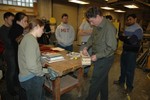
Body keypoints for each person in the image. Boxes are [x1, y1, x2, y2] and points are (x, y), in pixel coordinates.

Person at [82, 6, 117, 100]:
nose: (91, 24)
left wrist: (97, 56)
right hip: (98, 57)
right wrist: (86, 46)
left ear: (98, 16)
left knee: (95, 81)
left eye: (92, 21)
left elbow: (112, 48)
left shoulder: (109, 28)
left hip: (105, 59)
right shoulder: (96, 26)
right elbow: (92, 38)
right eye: (89, 21)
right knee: (103, 80)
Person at [114, 14, 143, 93]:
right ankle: (121, 81)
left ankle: (129, 87)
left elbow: (132, 41)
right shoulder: (128, 28)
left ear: (135, 19)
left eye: (130, 19)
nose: (128, 21)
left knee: (129, 70)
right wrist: (126, 38)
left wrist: (125, 37)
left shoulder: (138, 29)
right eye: (128, 20)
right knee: (123, 67)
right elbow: (120, 37)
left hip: (132, 53)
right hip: (125, 51)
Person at [18, 19, 45, 100]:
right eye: (42, 29)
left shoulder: (28, 37)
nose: (43, 32)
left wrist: (40, 62)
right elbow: (32, 66)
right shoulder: (31, 40)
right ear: (36, 27)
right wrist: (41, 73)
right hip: (31, 78)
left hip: (28, 76)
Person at [0, 12, 15, 95]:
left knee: (15, 70)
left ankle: (15, 85)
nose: (13, 21)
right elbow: (9, 42)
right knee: (11, 71)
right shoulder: (2, 29)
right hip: (8, 52)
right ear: (5, 19)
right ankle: (10, 90)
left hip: (14, 51)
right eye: (11, 20)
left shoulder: (12, 28)